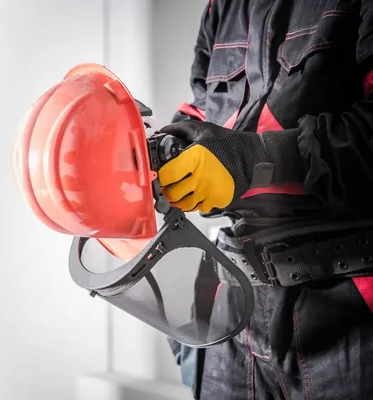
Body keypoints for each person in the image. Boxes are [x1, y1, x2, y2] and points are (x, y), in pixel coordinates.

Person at [158, 0, 373, 399]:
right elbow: (199, 111)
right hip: (232, 310)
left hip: (347, 310)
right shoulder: (222, 9)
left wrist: (253, 160)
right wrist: (161, 152)